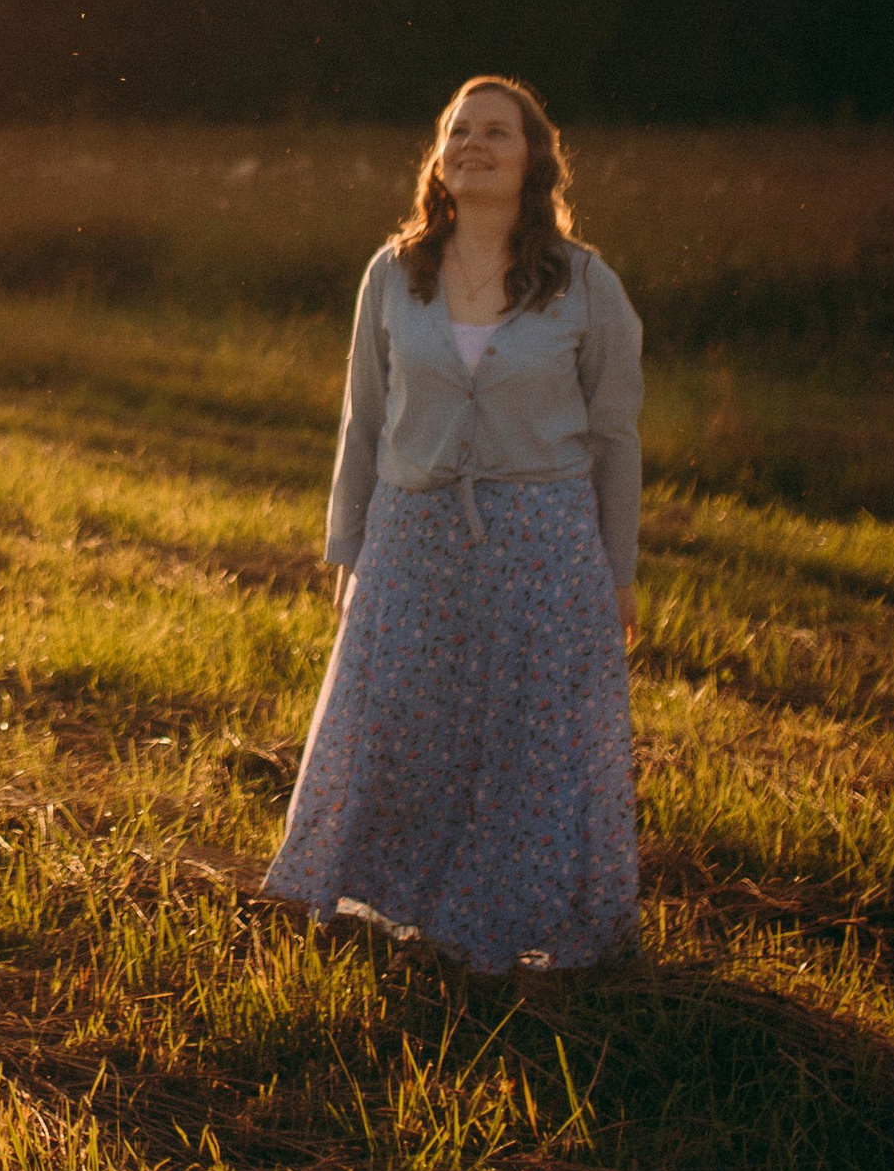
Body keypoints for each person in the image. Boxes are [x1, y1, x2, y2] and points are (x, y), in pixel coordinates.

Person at [264, 75, 645, 975]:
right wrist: (347, 551)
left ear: (534, 158)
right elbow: (362, 419)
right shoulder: (394, 273)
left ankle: (502, 924)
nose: (475, 144)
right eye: (459, 130)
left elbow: (615, 438)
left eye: (497, 132)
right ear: (438, 157)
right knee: (397, 726)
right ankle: (396, 902)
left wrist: (619, 573)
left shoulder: (586, 284)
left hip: (545, 544)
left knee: (527, 741)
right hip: (411, 534)